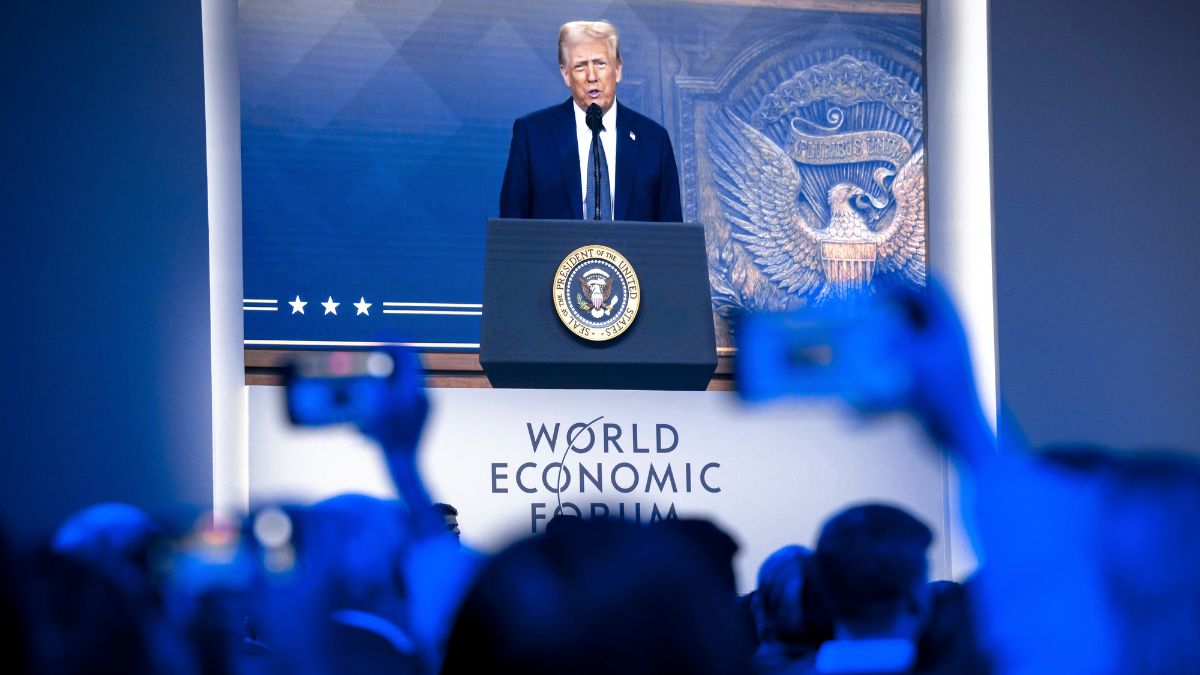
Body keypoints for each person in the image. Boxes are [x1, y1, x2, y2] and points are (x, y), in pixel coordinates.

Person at [499, 20, 683, 223]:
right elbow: (511, 228)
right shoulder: (533, 136)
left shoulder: (654, 141)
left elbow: (672, 236)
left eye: (600, 63)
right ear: (566, 74)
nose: (592, 76)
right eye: (580, 67)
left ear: (618, 70)